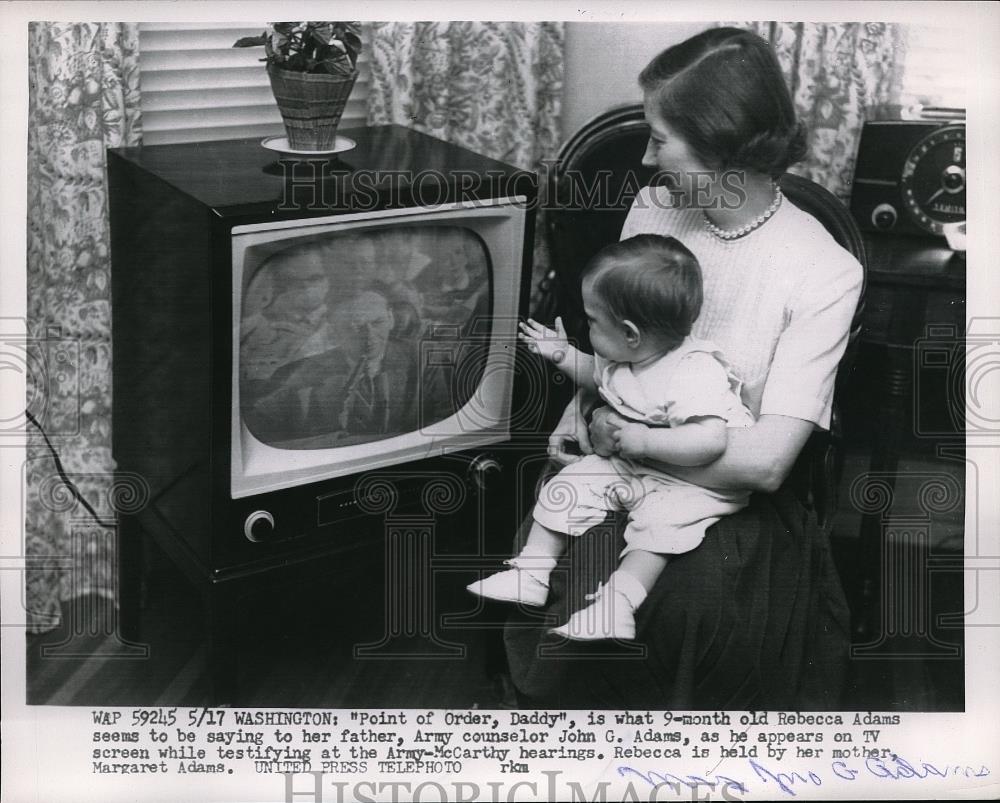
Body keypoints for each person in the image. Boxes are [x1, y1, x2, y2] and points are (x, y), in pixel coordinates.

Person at [502, 26, 863, 709]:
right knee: (573, 560)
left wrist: (629, 440)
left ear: (720, 142)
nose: (645, 157)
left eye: (660, 138)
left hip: (732, 500)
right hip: (620, 456)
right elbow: (617, 338)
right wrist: (576, 414)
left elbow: (764, 465)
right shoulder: (656, 209)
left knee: (682, 607)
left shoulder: (824, 271)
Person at [469, 234, 754, 640]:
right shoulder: (627, 358)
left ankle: (617, 606)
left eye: (593, 321)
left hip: (694, 481)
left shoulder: (693, 371)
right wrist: (562, 354)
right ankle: (532, 572)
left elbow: (711, 441)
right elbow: (599, 377)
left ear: (631, 333)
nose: (588, 327)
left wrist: (646, 442)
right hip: (636, 463)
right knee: (565, 486)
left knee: (655, 531)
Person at [244, 287, 418, 446]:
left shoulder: (422, 360)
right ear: (333, 330)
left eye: (378, 322)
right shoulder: (295, 375)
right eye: (355, 327)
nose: (369, 335)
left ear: (391, 319)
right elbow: (261, 433)